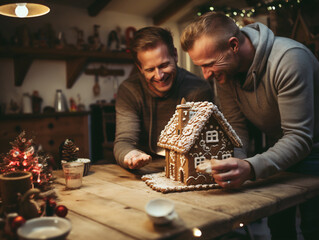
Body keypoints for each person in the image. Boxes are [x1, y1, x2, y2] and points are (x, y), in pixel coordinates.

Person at [181, 12, 319, 240]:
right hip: (280, 145)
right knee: (279, 227)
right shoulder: (226, 70)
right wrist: (233, 164)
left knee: (313, 228)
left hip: (314, 149)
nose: (206, 75)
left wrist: (250, 167)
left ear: (233, 45)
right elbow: (235, 128)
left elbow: (299, 137)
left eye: (209, 65)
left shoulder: (289, 59)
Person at [114, 26, 213, 170]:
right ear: (139, 67)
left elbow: (202, 145)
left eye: (164, 65)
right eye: (149, 69)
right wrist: (130, 155)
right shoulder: (129, 90)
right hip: (145, 168)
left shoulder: (198, 89)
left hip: (186, 167)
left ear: (175, 55)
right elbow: (124, 140)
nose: (159, 76)